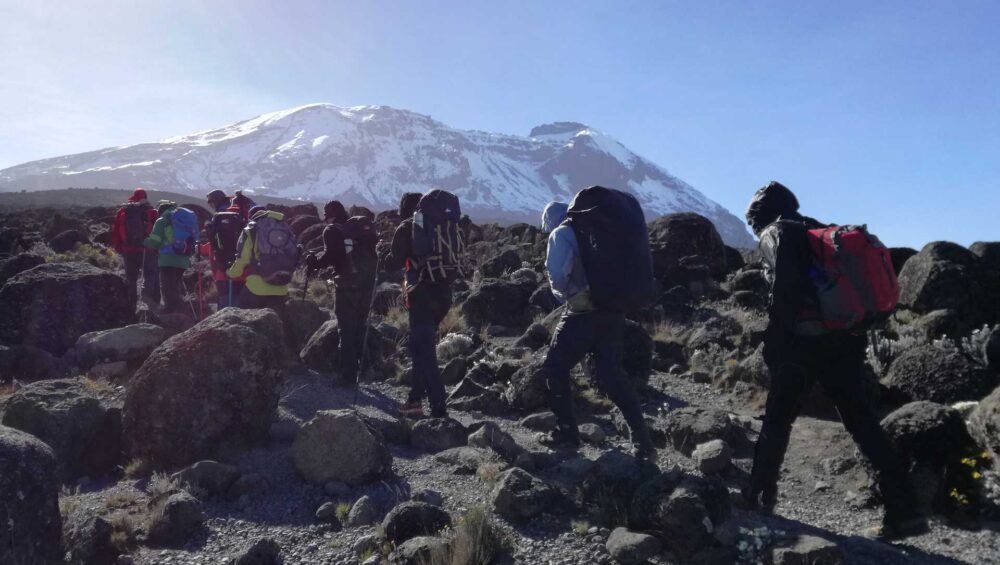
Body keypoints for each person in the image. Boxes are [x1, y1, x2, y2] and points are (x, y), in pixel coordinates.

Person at [742, 181, 927, 540]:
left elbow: (784, 289)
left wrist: (774, 342)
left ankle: (757, 497)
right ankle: (905, 511)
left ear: (762, 213)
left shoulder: (776, 231)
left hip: (802, 343)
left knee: (777, 420)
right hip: (846, 341)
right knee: (862, 423)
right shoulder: (819, 229)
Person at [536, 199, 655, 460]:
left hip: (582, 313)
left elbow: (558, 275)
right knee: (613, 375)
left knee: (555, 368)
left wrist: (566, 295)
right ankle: (642, 439)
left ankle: (567, 433)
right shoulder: (596, 232)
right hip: (612, 312)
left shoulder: (561, 234)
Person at [386, 191, 452, 418]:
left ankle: (438, 408)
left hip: (422, 295)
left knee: (425, 352)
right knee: (420, 348)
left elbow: (394, 259)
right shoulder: (441, 225)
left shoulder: (407, 227)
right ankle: (415, 400)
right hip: (444, 293)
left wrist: (382, 255)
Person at [305, 200, 379, 383]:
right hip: (368, 285)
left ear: (329, 215)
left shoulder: (332, 230)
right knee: (360, 326)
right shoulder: (357, 230)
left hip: (347, 285)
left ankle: (347, 375)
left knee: (346, 329)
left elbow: (331, 256)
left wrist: (314, 262)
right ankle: (367, 369)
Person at [227, 208, 297, 312]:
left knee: (245, 320)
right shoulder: (284, 228)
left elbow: (243, 259)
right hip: (281, 289)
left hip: (256, 288)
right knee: (275, 325)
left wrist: (231, 273)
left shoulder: (252, 228)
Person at [112, 188, 159, 309]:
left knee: (131, 279)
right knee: (149, 275)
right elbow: (157, 231)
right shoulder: (152, 211)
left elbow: (116, 230)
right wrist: (156, 247)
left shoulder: (123, 211)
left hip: (129, 250)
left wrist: (119, 246)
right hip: (147, 250)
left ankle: (131, 305)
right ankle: (148, 301)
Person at [142, 201, 191, 314]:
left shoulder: (162, 221)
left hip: (168, 259)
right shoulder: (183, 220)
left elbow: (155, 242)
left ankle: (171, 312)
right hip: (183, 259)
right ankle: (181, 311)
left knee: (167, 287)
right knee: (176, 286)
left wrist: (145, 241)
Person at [200, 190, 247, 309]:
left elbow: (216, 243)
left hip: (224, 271)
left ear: (216, 200)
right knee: (240, 304)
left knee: (226, 305)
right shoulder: (241, 213)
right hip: (245, 271)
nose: (210, 205)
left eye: (211, 202)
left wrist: (201, 248)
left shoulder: (221, 216)